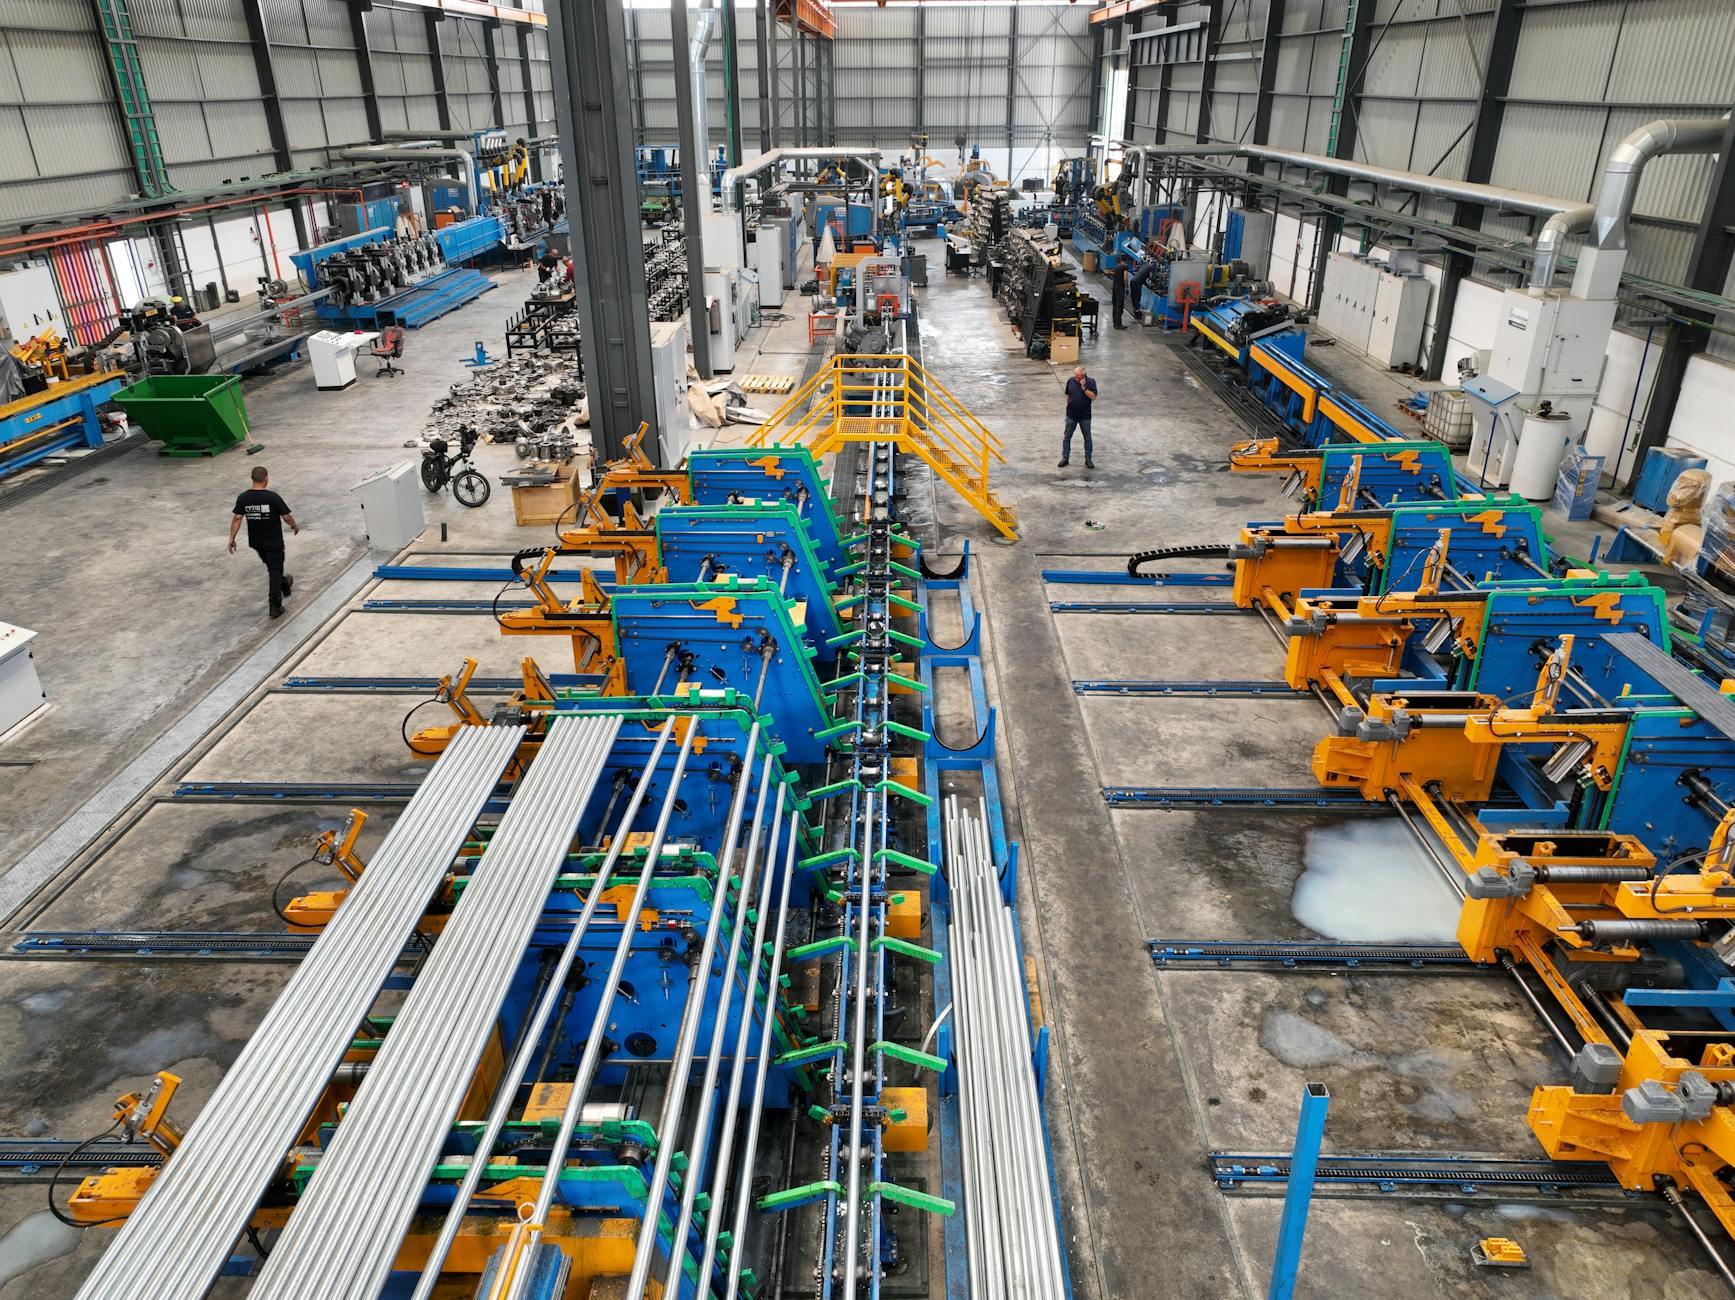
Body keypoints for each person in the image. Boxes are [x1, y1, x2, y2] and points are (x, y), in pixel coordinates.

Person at [229, 466, 299, 619]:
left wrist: (232, 538)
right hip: (273, 542)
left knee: (273, 567)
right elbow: (286, 517)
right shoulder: (272, 497)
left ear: (252, 479)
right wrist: (294, 525)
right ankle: (275, 606)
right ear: (266, 478)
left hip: (257, 543)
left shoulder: (243, 498)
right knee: (274, 571)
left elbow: (237, 518)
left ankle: (285, 584)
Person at [1058, 365, 1098, 470]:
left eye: (1078, 376)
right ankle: (1065, 458)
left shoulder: (1091, 382)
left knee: (1087, 438)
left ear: (1083, 376)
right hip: (1071, 415)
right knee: (1067, 437)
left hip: (1085, 416)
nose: (1076, 378)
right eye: (1075, 375)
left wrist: (1084, 388)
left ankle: (1088, 459)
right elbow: (1068, 394)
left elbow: (1093, 397)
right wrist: (1070, 405)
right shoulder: (1070, 381)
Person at [1111, 259, 1128, 330]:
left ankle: (1115, 322)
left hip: (1114, 287)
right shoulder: (1125, 266)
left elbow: (1112, 273)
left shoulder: (1117, 266)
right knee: (1119, 305)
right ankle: (1118, 324)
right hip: (1120, 288)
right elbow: (1125, 278)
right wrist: (1127, 287)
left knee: (1115, 305)